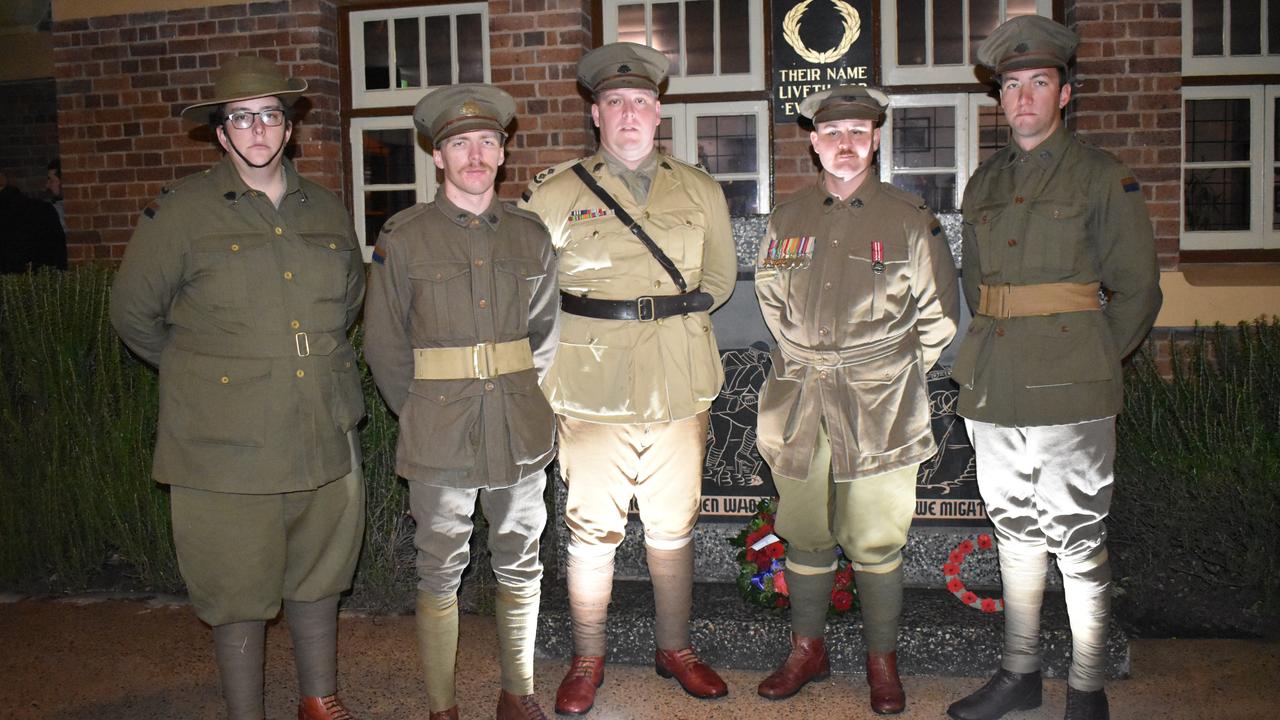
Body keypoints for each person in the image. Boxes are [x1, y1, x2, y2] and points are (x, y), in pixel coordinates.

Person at [109, 56, 367, 720]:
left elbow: (347, 306)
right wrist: (207, 379)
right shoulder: (183, 212)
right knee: (236, 587)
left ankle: (320, 699)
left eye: (269, 115)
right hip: (227, 448)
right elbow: (133, 313)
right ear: (222, 134)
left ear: (289, 128)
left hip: (321, 430)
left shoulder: (329, 211)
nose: (257, 129)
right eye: (241, 117)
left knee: (320, 574)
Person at [945, 16, 1162, 720]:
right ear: (1000, 100)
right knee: (1014, 529)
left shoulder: (1101, 176)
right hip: (995, 382)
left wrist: (1093, 358)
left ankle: (1087, 687)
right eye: (1012, 86)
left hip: (1072, 387)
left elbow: (1137, 290)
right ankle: (1019, 673)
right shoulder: (983, 182)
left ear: (1064, 94)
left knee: (1076, 536)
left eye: (1039, 82)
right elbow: (978, 289)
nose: (1025, 97)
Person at [519, 41, 737, 716]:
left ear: (659, 111)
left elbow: (721, 280)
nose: (630, 114)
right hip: (590, 384)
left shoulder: (698, 189)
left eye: (641, 101)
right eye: (615, 103)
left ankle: (675, 649)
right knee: (591, 528)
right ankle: (588, 656)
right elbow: (531, 294)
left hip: (677, 377)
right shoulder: (555, 195)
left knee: (674, 524)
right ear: (596, 113)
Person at [753, 85, 960, 715]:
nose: (846, 145)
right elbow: (770, 301)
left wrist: (888, 374)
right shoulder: (787, 219)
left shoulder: (908, 217)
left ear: (875, 140)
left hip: (881, 405)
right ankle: (806, 650)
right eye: (832, 133)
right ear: (813, 142)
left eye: (858, 133)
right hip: (801, 400)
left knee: (874, 538)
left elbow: (940, 318)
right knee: (807, 532)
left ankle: (881, 662)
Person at [362, 84, 559, 720]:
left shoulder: (531, 237)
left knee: (520, 560)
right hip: (439, 432)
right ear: (438, 156)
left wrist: (525, 403)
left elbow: (545, 341)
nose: (475, 154)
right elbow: (385, 345)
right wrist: (421, 412)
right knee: (439, 568)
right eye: (458, 143)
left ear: (502, 154)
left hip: (517, 428)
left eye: (487, 142)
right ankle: (442, 707)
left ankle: (517, 693)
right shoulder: (406, 237)